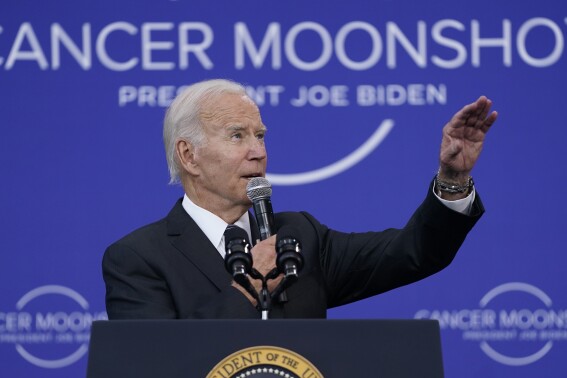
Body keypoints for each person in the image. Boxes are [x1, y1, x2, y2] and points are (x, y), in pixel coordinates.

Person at [102, 79, 497, 319]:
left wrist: (453, 177)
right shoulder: (138, 258)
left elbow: (414, 252)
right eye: (238, 136)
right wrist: (250, 286)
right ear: (189, 155)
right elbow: (154, 362)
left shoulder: (299, 236)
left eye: (261, 135)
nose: (258, 152)